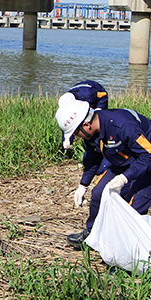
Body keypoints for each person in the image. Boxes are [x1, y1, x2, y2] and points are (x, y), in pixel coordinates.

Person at [55, 99, 151, 249]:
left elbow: (149, 156)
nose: (77, 137)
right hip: (126, 158)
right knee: (99, 192)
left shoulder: (123, 125)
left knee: (133, 207)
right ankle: (93, 234)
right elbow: (93, 158)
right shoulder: (92, 134)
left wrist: (125, 177)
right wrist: (83, 185)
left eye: (76, 133)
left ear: (86, 125)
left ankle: (125, 252)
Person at [59, 80, 109, 210]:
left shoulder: (88, 94)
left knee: (98, 136)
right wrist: (66, 141)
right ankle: (94, 162)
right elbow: (69, 125)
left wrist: (98, 113)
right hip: (82, 114)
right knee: (90, 145)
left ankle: (104, 163)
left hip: (98, 101)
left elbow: (103, 95)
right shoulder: (68, 102)